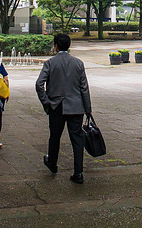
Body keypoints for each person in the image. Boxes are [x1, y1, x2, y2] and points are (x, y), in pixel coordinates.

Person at [35, 32, 92, 184]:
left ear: (56, 46)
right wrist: (88, 109)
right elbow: (84, 88)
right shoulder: (78, 63)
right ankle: (78, 172)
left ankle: (52, 163)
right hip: (76, 107)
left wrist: (47, 102)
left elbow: (39, 84)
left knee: (55, 137)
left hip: (57, 106)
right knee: (77, 139)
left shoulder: (50, 63)